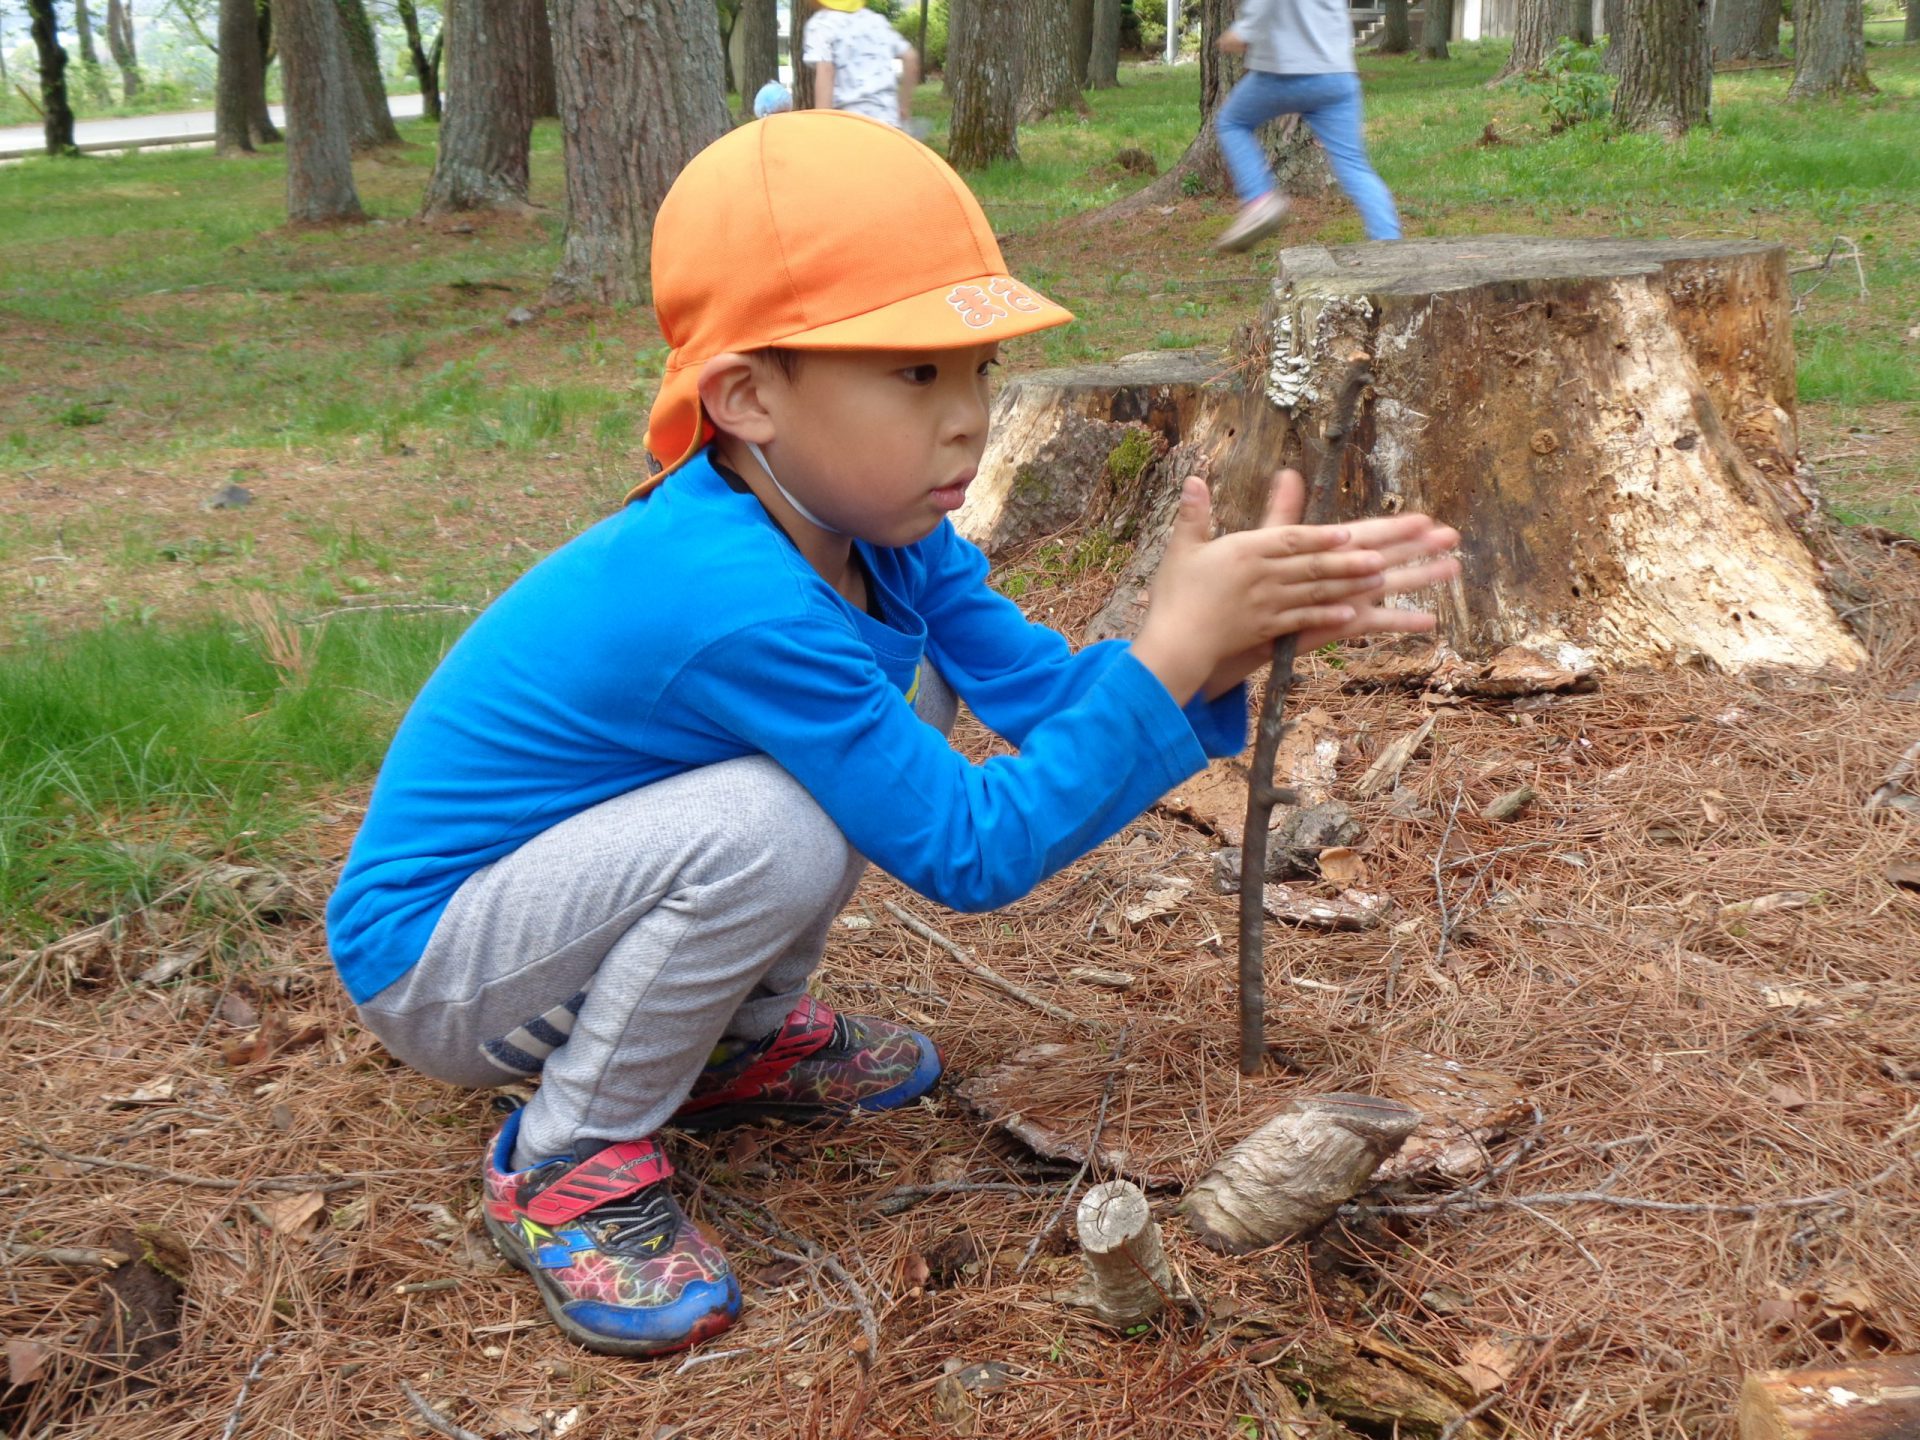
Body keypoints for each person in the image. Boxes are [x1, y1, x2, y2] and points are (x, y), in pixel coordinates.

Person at [324, 112, 1459, 1360]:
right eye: (916, 373)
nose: (969, 417)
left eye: (978, 368)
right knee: (776, 825)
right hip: (442, 965)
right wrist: (1171, 658)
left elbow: (1042, 694)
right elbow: (970, 850)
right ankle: (569, 1159)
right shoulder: (729, 590)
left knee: (896, 709)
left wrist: (1209, 652)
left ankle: (727, 1048)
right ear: (748, 396)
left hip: (573, 902)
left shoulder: (880, 537)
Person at [1212, 0, 1402, 252]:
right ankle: (1389, 244)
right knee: (1354, 165)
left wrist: (1241, 33)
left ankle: (1260, 200)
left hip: (1283, 74)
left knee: (1232, 122)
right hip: (1337, 77)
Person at [803, 0, 919, 130]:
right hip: (889, 123)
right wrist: (903, 106)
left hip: (851, 123)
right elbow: (911, 57)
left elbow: (826, 71)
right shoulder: (876, 21)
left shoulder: (821, 24)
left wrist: (822, 123)